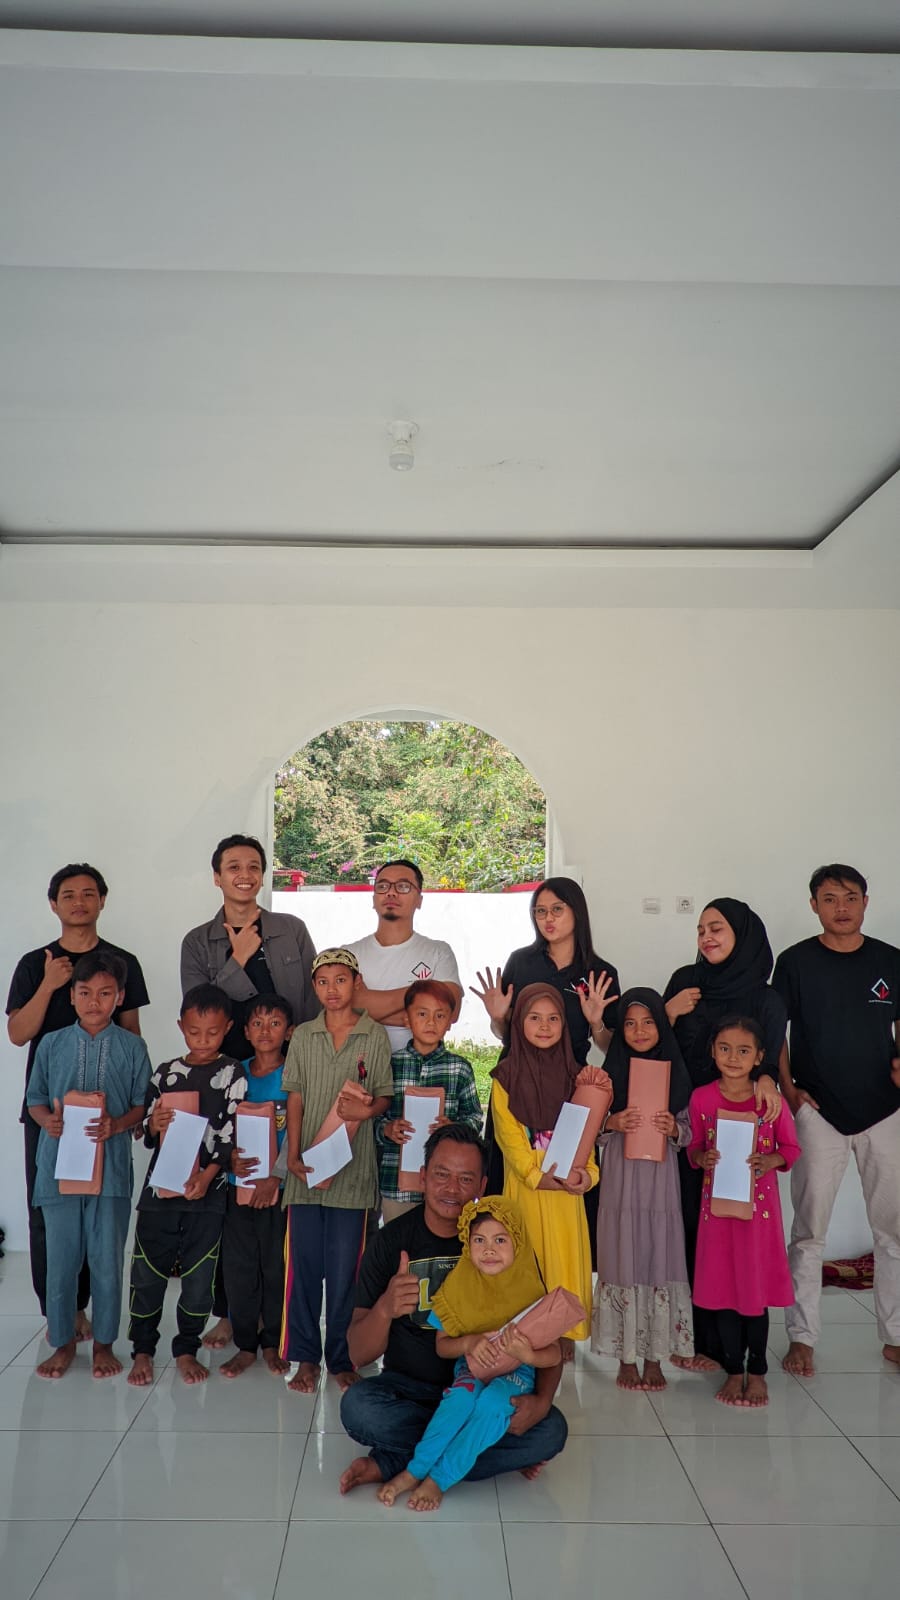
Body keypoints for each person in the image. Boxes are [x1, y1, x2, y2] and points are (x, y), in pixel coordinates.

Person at [339, 1123, 567, 1495]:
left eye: (465, 1179)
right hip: (410, 1390)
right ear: (424, 1176)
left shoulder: (503, 1245)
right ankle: (453, 1452)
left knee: (551, 1430)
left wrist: (541, 1403)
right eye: (442, 1175)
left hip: (487, 1389)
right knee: (359, 1407)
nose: (452, 1189)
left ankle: (399, 1461)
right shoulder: (390, 1241)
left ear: (481, 1186)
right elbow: (356, 1352)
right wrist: (385, 1308)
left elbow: (547, 1334)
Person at [181, 832, 317, 1347]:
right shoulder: (198, 941)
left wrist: (297, 1063)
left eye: (254, 865)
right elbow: (200, 1006)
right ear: (216, 876)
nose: (244, 873)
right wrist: (237, 962)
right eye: (233, 866)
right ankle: (228, 1311)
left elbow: (301, 1008)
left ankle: (275, 1316)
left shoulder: (290, 930)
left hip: (280, 1072)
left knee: (276, 1193)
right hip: (222, 1079)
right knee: (224, 1196)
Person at [7, 862, 150, 1335]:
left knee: (103, 1218)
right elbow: (17, 1034)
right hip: (51, 1117)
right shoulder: (35, 963)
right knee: (49, 1216)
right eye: (68, 895)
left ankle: (93, 1313)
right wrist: (51, 982)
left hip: (107, 1118)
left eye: (89, 893)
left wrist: (130, 1113)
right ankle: (62, 1316)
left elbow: (131, 1036)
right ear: (54, 904)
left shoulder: (121, 961)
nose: (79, 902)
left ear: (102, 900)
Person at [773, 864, 900, 1377]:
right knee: (808, 1234)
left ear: (866, 901)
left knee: (892, 1232)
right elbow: (773, 1029)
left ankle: (895, 1335)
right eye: (829, 898)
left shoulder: (890, 960)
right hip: (818, 1112)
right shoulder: (796, 962)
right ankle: (801, 1338)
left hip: (885, 1111)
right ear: (814, 905)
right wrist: (789, 1092)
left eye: (850, 897)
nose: (841, 907)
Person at [662, 897, 784, 1370]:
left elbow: (769, 1059)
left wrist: (770, 1078)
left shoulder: (764, 998)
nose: (706, 937)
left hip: (740, 1130)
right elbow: (655, 1045)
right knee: (693, 1228)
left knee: (738, 1230)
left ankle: (738, 1345)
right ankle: (699, 1339)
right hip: (687, 1125)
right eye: (700, 930)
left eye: (717, 928)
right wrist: (668, 1012)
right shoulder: (684, 983)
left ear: (743, 935)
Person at [377, 1196, 558, 1512]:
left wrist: (527, 1354)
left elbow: (554, 1354)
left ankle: (439, 1478)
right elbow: (442, 1345)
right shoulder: (459, 1285)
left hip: (517, 1375)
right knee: (460, 1400)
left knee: (493, 1405)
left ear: (517, 1243)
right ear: (467, 1242)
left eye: (500, 1240)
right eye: (479, 1240)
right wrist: (469, 1343)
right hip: (473, 1367)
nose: (488, 1249)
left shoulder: (531, 1289)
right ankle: (414, 1470)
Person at [25, 951, 151, 1380]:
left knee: (106, 1259)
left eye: (104, 993)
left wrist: (117, 1124)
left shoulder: (133, 1047)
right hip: (58, 1168)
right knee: (60, 1260)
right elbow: (35, 1100)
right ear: (72, 997)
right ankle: (61, 1343)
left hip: (111, 1170)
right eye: (84, 993)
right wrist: (50, 1123)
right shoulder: (51, 1043)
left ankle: (103, 1344)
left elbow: (141, 1104)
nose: (94, 1001)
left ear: (118, 998)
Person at [471, 876, 620, 1218]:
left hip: (570, 1086)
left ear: (577, 913)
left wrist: (596, 1021)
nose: (548, 919)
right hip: (516, 1083)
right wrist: (497, 1018)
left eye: (557, 910)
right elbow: (505, 1032)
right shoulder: (522, 962)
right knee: (510, 1171)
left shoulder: (599, 972)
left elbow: (608, 1045)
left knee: (568, 1174)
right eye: (540, 912)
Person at [281, 948, 392, 1393]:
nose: (332, 989)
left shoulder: (374, 1035)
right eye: (323, 981)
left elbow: (383, 1096)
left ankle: (343, 1357)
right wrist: (291, 1155)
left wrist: (367, 1114)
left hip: (353, 1175)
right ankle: (305, 1358)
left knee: (347, 1270)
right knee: (304, 1268)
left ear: (355, 983)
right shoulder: (304, 1036)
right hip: (306, 1172)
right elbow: (295, 1098)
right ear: (314, 987)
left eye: (340, 980)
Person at [127, 985, 247, 1388]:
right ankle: (142, 1349)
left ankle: (186, 1348)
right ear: (181, 1027)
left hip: (207, 1194)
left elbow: (232, 1134)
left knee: (199, 1276)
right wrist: (153, 1124)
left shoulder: (232, 1072)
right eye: (194, 1032)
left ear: (227, 1028)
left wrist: (208, 1176)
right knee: (146, 1272)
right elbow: (143, 1130)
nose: (203, 1040)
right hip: (160, 1193)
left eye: (212, 1033)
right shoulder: (164, 1073)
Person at [687, 1016, 800, 1407]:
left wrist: (770, 1161)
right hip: (716, 1215)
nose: (733, 1057)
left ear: (760, 1057)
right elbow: (693, 1148)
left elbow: (791, 1149)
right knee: (722, 1291)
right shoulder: (702, 1098)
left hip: (758, 1219)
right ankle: (734, 1370)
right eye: (724, 1049)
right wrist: (703, 1156)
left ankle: (759, 1373)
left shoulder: (769, 1101)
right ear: (713, 1052)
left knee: (753, 1293)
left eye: (744, 1050)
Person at [592, 988, 694, 1390]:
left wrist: (675, 1129)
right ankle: (626, 1357)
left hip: (660, 1185)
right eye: (630, 1023)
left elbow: (689, 1130)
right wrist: (611, 1124)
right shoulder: (606, 1076)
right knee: (623, 1254)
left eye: (648, 1021)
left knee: (657, 1252)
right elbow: (591, 1130)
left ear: (662, 1026)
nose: (639, 1030)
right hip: (620, 1181)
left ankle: (654, 1355)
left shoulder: (677, 1074)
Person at [490, 984, 597, 1343]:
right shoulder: (504, 1077)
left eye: (553, 1018)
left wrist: (589, 1176)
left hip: (566, 1194)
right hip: (527, 1191)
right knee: (528, 1264)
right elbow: (509, 1139)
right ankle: (526, 1338)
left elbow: (588, 1133)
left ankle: (562, 1335)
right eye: (534, 1018)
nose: (545, 1026)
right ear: (519, 1023)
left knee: (564, 1265)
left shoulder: (577, 1076)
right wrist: (536, 1176)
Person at [220, 993, 294, 1379]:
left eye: (275, 1023)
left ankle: (274, 1343)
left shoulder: (295, 1075)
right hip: (237, 1187)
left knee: (276, 1266)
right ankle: (245, 1344)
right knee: (239, 1267)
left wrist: (276, 1177)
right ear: (246, 1031)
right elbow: (218, 1126)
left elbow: (301, 1132)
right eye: (258, 1023)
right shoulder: (234, 1074)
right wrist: (227, 1156)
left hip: (279, 1189)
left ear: (289, 1030)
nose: (266, 1031)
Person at [376, 979, 483, 1223]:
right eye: (422, 1014)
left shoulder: (459, 1068)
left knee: (441, 1250)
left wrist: (454, 1129)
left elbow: (475, 1117)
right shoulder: (389, 1065)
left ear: (449, 1023)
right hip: (396, 1184)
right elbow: (373, 1118)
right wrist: (387, 1129)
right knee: (399, 1249)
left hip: (448, 1189)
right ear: (406, 1018)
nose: (430, 1022)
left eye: (440, 1015)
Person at [346, 860, 463, 1053]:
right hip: (360, 1070)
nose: (391, 892)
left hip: (419, 1071)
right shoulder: (349, 955)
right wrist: (425, 1001)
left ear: (419, 900)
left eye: (403, 886)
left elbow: (452, 1011)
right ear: (374, 898)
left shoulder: (438, 952)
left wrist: (365, 1007)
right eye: (383, 886)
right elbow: (339, 1010)